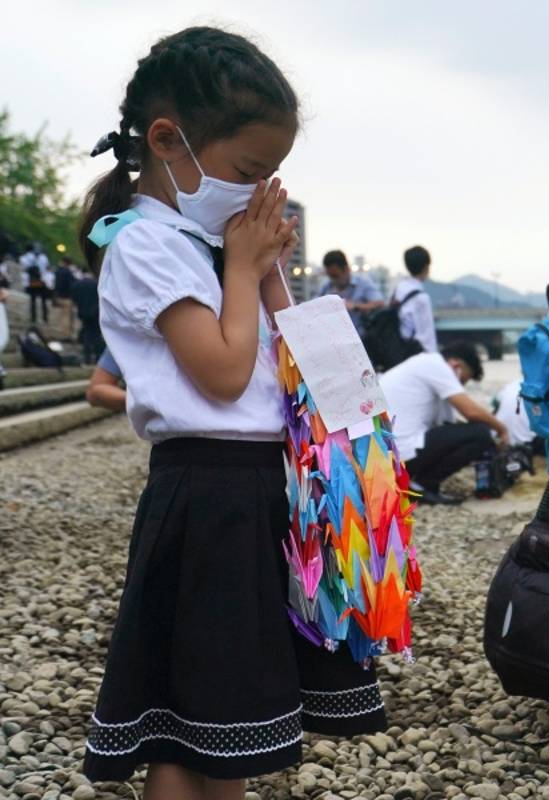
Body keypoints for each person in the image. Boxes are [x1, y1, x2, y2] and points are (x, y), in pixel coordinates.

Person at [77, 26, 386, 799]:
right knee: (185, 720)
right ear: (166, 141)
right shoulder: (143, 246)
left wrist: (267, 266)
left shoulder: (200, 241)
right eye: (249, 171)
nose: (255, 192)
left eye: (270, 177)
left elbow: (299, 357)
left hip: (249, 488)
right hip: (203, 489)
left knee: (232, 718)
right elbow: (219, 371)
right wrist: (243, 270)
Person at [378, 342, 509, 505]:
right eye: (462, 380)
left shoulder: (421, 364)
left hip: (382, 455)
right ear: (456, 365)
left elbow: (449, 424)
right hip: (398, 454)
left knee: (472, 432)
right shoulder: (434, 364)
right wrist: (502, 429)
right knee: (480, 434)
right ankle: (422, 485)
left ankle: (416, 483)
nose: (459, 385)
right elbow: (471, 412)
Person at [318, 249, 384, 335]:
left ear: (346, 269)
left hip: (361, 338)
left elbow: (380, 303)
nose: (333, 280)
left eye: (335, 276)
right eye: (330, 276)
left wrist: (355, 306)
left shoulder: (363, 283)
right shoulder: (326, 287)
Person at [390, 245, 438, 353]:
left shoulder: (399, 288)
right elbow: (426, 338)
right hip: (413, 352)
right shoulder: (421, 298)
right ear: (426, 267)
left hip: (398, 349)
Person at [71, 265, 103, 364]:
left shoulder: (77, 284)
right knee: (97, 335)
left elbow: (74, 299)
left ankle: (87, 356)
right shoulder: (97, 284)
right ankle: (98, 357)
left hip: (83, 312)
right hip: (96, 312)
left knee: (86, 334)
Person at [20, 244, 50, 324]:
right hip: (42, 281)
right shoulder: (44, 258)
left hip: (32, 282)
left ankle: (33, 318)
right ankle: (45, 318)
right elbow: (47, 268)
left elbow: (25, 269)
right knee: (43, 301)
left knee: (33, 300)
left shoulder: (26, 258)